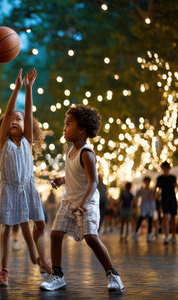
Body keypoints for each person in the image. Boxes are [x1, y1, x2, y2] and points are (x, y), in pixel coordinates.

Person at [40, 105, 124, 292]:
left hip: (86, 201)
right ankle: (58, 276)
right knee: (55, 235)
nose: (64, 127)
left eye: (69, 124)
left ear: (82, 129)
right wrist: (62, 180)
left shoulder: (87, 153)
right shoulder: (70, 151)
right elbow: (73, 174)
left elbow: (92, 181)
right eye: (65, 123)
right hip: (69, 199)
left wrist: (83, 204)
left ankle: (113, 275)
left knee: (91, 238)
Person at [0, 68, 50, 287]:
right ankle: (3, 271)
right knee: (5, 230)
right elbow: (11, 110)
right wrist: (16, 89)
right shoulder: (4, 142)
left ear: (27, 126)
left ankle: (41, 260)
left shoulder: (27, 140)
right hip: (10, 188)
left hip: (29, 187)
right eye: (10, 119)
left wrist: (29, 88)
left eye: (19, 119)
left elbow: (28, 112)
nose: (14, 120)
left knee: (40, 225)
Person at [155, 161, 178, 244]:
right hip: (164, 199)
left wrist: (177, 187)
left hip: (172, 199)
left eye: (167, 168)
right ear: (162, 169)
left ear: (169, 169)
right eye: (164, 168)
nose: (166, 170)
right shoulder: (160, 178)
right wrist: (156, 196)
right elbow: (157, 189)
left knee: (173, 218)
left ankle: (173, 235)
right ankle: (166, 236)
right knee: (165, 217)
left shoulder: (173, 177)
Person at [133, 177, 154, 242]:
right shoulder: (141, 190)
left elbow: (155, 197)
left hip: (150, 207)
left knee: (150, 221)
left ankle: (149, 235)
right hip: (144, 207)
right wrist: (135, 203)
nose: (147, 183)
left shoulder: (152, 190)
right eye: (146, 181)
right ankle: (136, 233)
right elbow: (136, 196)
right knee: (140, 220)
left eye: (148, 181)